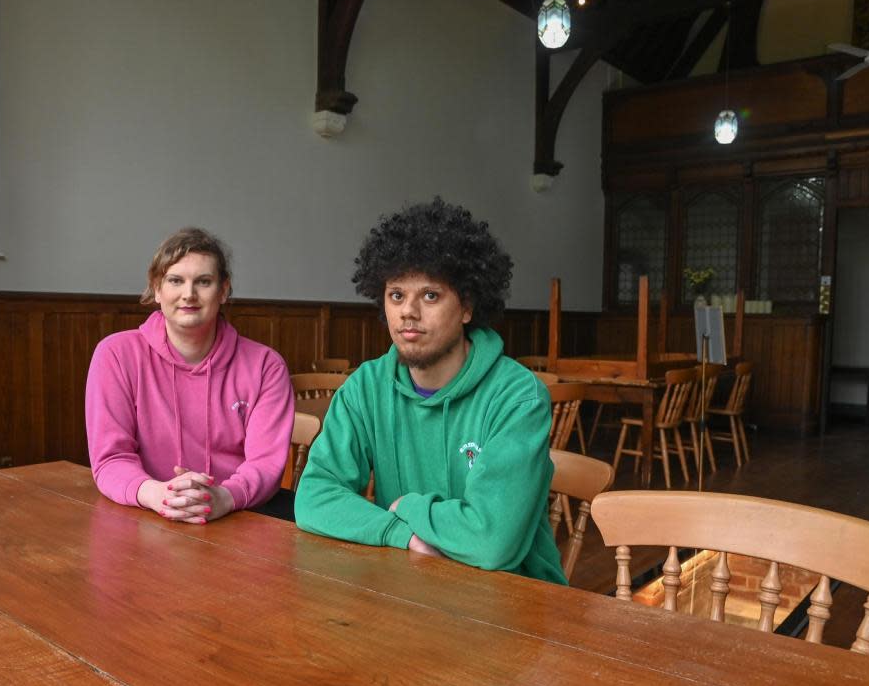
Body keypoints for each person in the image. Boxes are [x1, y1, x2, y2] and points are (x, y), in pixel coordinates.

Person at [295, 198, 564, 584]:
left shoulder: (518, 397)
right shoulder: (365, 388)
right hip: (412, 586)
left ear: (467, 307)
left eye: (431, 295)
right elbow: (313, 499)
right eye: (396, 295)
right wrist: (400, 534)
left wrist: (408, 506)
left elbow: (492, 541)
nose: (408, 312)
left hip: (515, 602)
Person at [86, 228, 293, 523]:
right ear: (157, 289)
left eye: (204, 282)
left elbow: (266, 465)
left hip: (239, 515)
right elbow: (111, 459)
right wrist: (159, 494)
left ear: (223, 291)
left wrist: (223, 497)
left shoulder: (266, 366)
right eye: (175, 280)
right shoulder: (115, 355)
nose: (189, 294)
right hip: (147, 514)